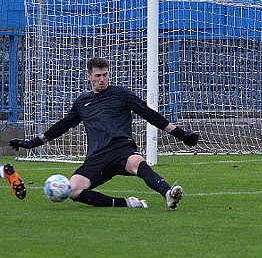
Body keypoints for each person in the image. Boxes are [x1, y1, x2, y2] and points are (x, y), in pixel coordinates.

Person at [9, 57, 199, 209]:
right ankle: (125, 203)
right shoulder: (82, 103)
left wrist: (181, 134)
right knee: (73, 189)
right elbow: (62, 126)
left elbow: (150, 115)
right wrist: (31, 143)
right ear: (89, 76)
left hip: (121, 148)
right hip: (96, 157)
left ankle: (168, 194)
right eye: (98, 75)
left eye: (105, 75)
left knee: (136, 162)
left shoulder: (121, 94)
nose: (102, 79)